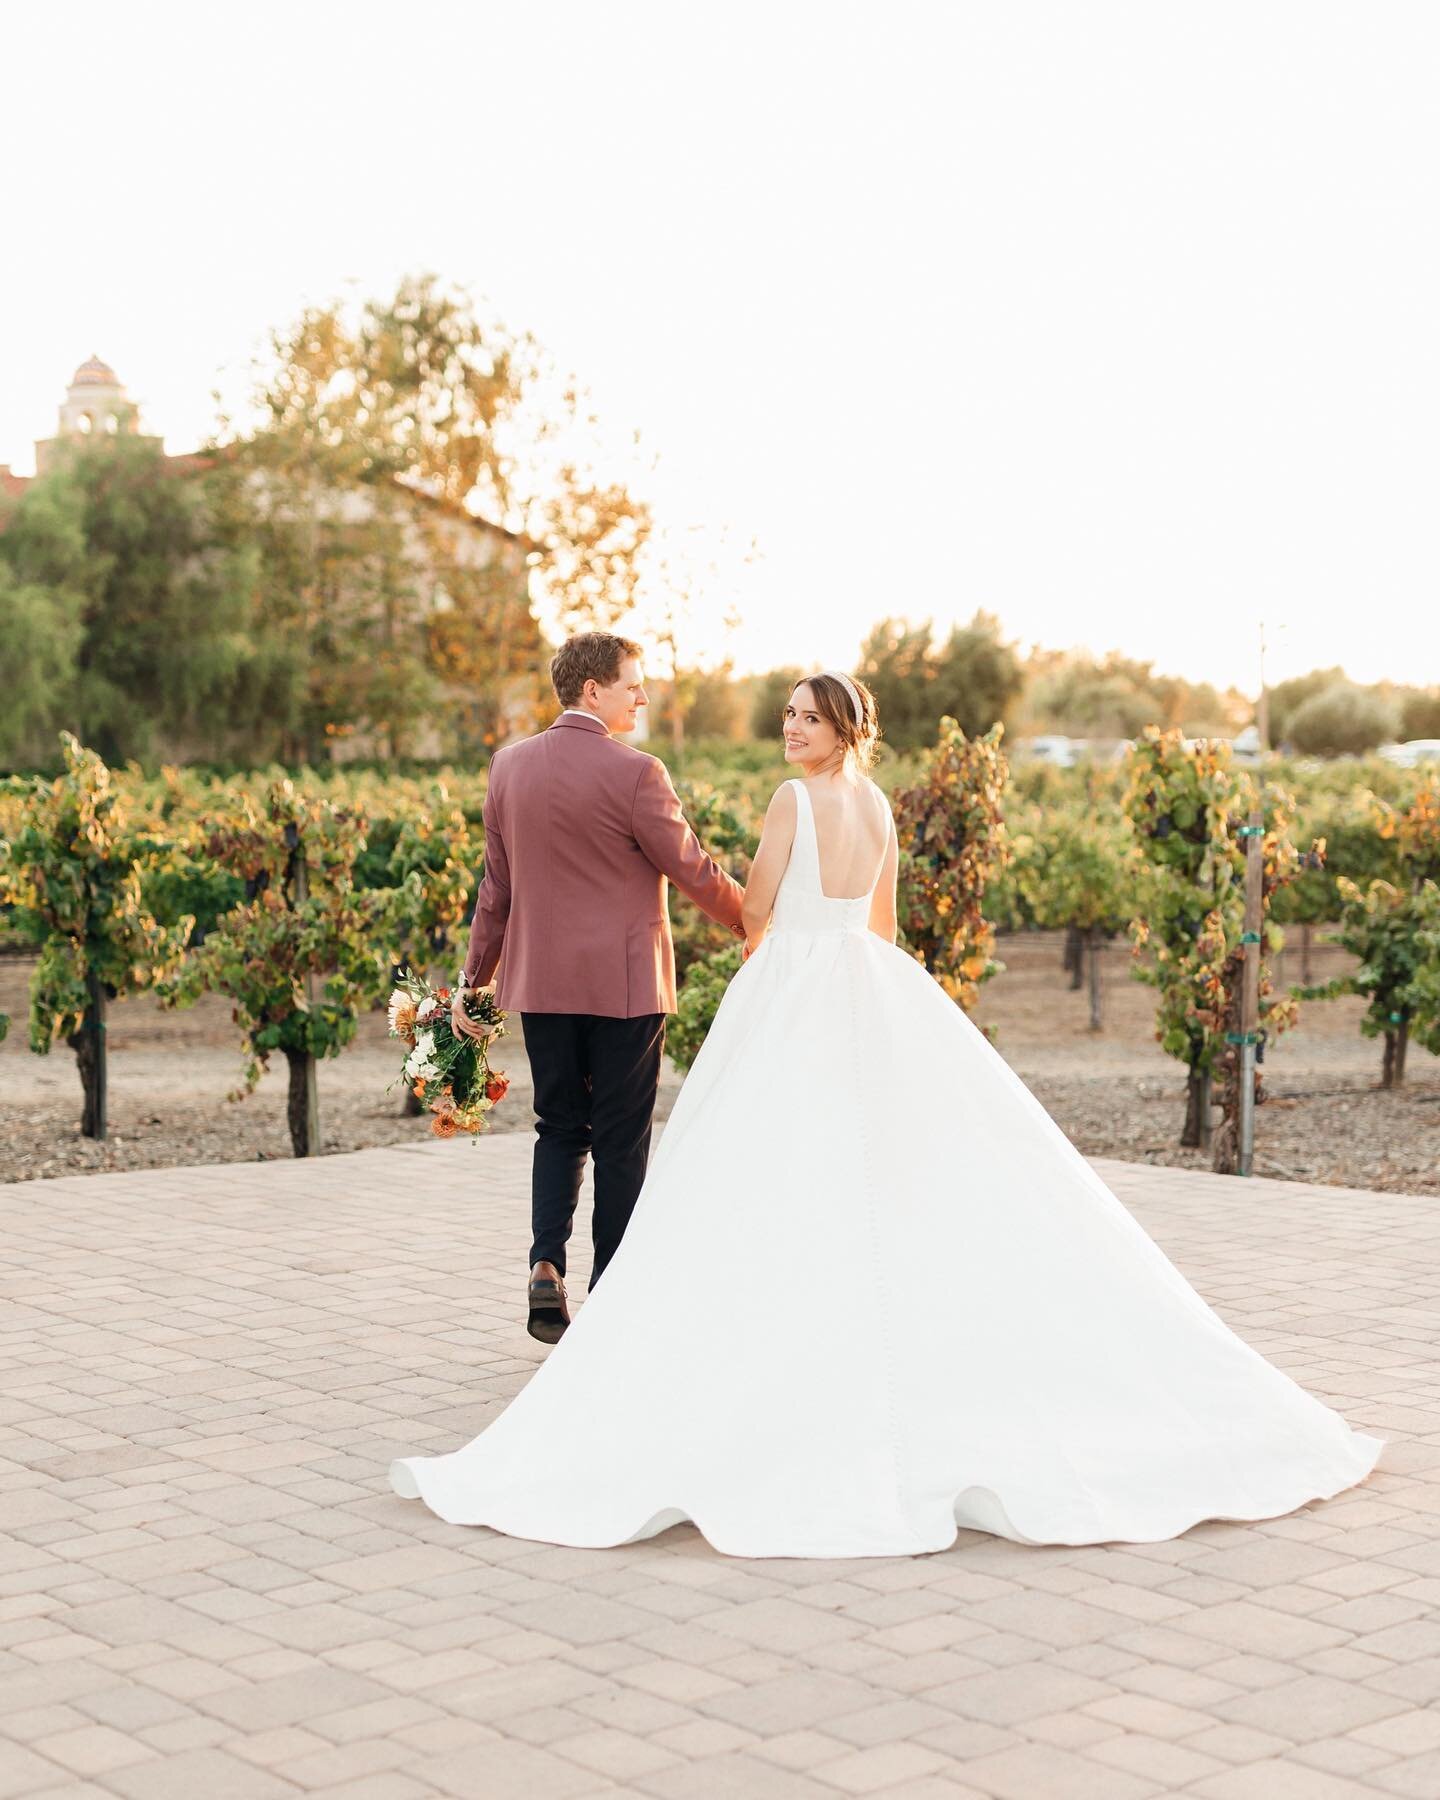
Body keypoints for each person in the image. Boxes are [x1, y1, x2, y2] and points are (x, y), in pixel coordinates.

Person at [393, 669, 1381, 1557]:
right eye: (786, 716)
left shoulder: (790, 801)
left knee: (761, 1170)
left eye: (804, 718)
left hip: (793, 987)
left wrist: (760, 930)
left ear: (839, 729)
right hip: (870, 986)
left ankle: (654, 1310)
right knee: (880, 1170)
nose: (789, 730)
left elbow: (752, 913)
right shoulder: (878, 806)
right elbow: (886, 926)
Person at [450, 631, 745, 1343]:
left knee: (558, 1128)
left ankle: (545, 1264)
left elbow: (497, 891)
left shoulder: (508, 767)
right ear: (593, 690)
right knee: (621, 1141)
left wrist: (472, 982)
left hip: (542, 986)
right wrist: (759, 922)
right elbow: (693, 870)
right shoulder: (638, 772)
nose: (642, 695)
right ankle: (612, 1300)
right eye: (632, 683)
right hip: (626, 988)